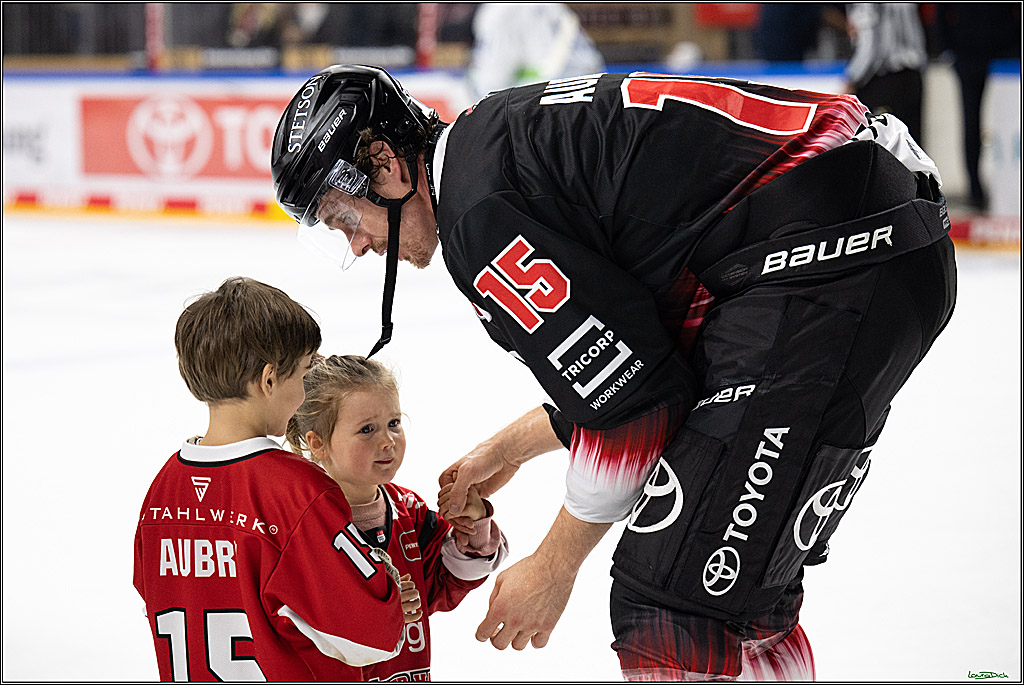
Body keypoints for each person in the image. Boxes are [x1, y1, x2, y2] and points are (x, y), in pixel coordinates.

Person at [270, 65, 957, 680]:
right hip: (861, 232)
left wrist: (553, 563)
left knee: (669, 600)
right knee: (732, 585)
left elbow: (636, 404)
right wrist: (506, 448)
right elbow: (644, 353)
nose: (355, 243)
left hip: (832, 260)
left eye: (341, 216)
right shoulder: (492, 147)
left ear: (385, 162)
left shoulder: (481, 218)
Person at [133, 276, 407, 681]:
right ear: (268, 380)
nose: (303, 392)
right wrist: (390, 585)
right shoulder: (298, 492)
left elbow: (153, 600)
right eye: (302, 374)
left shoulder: (162, 490)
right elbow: (370, 635)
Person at [285, 353, 510, 681]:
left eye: (393, 423)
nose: (388, 441)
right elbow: (285, 619)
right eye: (367, 430)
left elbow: (444, 588)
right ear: (318, 443)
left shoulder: (409, 511)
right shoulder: (297, 521)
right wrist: (376, 610)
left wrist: (472, 525)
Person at [465, 3, 605, 100]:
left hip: (555, 102)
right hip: (591, 93)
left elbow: (491, 83)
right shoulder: (554, 7)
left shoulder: (502, 11)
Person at [843, 3, 929, 145]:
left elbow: (871, 48)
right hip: (913, 76)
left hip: (887, 80)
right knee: (912, 148)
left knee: (883, 148)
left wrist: (851, 79)